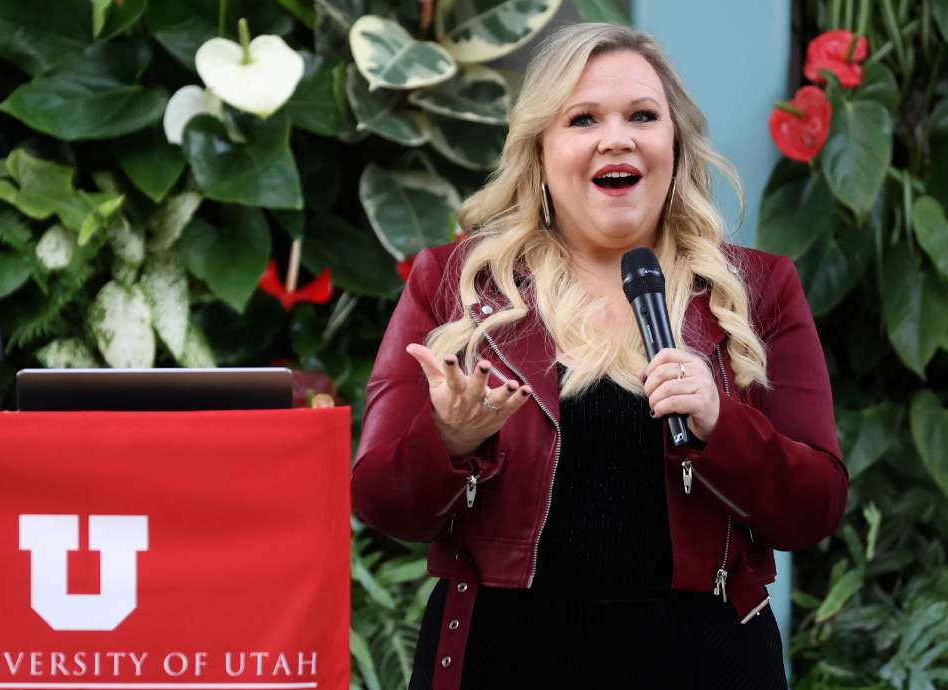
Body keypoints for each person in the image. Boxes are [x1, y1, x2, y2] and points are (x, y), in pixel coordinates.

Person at [351, 22, 847, 690]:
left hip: (704, 666)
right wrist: (447, 441)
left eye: (643, 115)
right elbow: (382, 503)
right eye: (583, 119)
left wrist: (720, 424)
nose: (617, 137)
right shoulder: (454, 283)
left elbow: (813, 509)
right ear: (540, 150)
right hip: (503, 664)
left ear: (673, 141)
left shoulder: (758, 290)